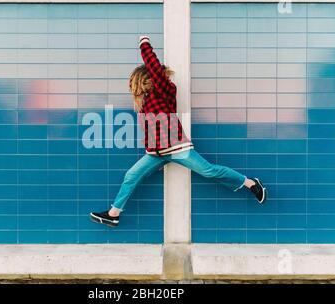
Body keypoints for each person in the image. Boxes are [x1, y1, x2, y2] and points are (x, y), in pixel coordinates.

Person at [90, 35, 267, 228]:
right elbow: (151, 128)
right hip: (156, 154)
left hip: (177, 148)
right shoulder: (145, 101)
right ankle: (114, 214)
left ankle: (251, 183)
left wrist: (144, 45)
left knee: (209, 171)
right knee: (131, 176)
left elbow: (156, 68)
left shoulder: (165, 90)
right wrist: (153, 154)